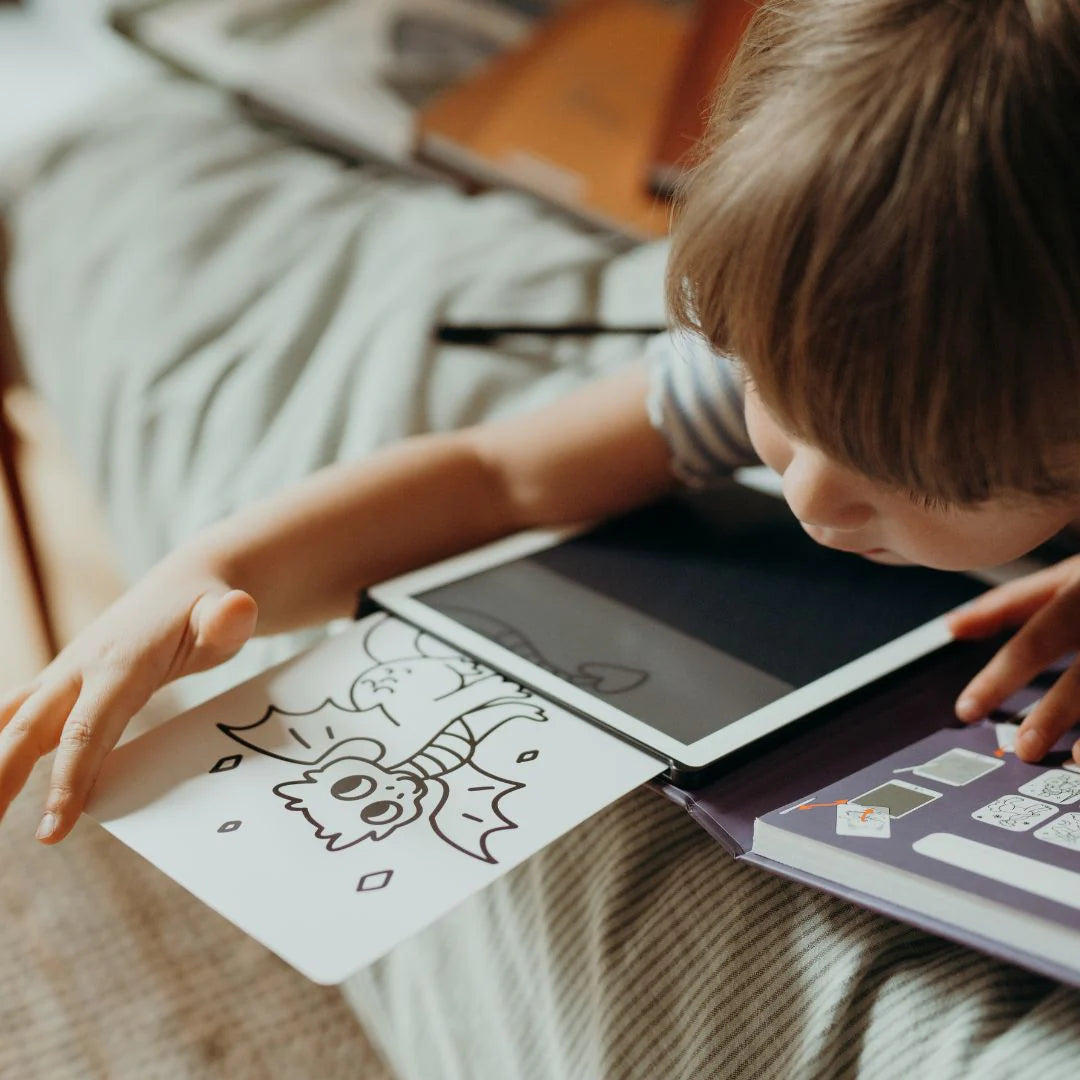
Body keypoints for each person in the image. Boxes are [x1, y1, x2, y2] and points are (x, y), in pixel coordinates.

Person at [3, 0, 1080, 1073]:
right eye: (770, 398)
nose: (813, 499)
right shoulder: (821, 356)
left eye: (933, 477)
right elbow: (498, 476)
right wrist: (213, 571)